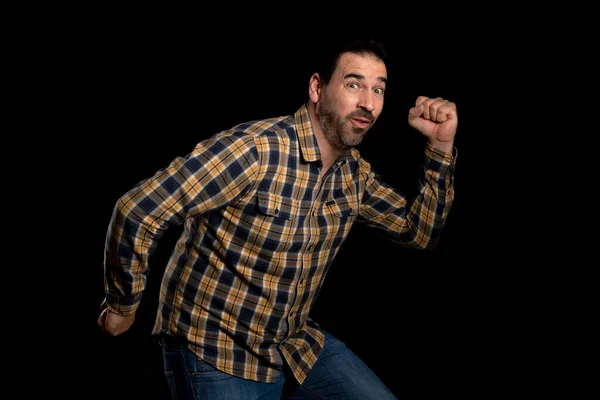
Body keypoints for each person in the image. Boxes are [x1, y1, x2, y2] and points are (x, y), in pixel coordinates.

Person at [97, 37, 458, 399]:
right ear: (317, 87)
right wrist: (122, 304)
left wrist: (440, 147)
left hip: (290, 341)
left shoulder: (354, 174)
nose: (368, 103)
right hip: (213, 348)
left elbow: (419, 232)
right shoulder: (256, 151)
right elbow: (139, 208)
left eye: (378, 90)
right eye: (353, 84)